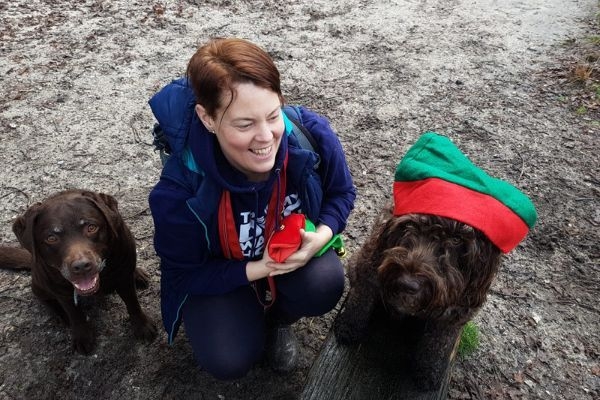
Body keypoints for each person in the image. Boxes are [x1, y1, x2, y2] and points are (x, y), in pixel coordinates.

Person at [147, 37, 356, 380]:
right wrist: (260, 268)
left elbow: (342, 193)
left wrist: (322, 235)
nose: (265, 137)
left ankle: (278, 321)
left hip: (286, 263)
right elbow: (185, 273)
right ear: (208, 118)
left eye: (273, 115)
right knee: (228, 359)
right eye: (244, 124)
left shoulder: (307, 134)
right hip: (222, 277)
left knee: (324, 282)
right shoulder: (178, 192)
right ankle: (243, 320)